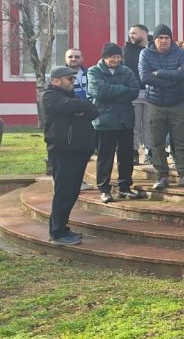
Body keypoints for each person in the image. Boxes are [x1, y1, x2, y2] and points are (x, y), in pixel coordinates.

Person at [42, 66, 99, 245]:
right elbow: (74, 107)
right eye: (69, 79)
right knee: (64, 192)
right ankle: (57, 233)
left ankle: (63, 227)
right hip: (63, 151)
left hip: (78, 151)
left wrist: (78, 109)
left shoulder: (70, 97)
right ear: (56, 81)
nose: (73, 82)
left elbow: (92, 110)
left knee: (72, 191)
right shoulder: (49, 96)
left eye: (73, 79)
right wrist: (79, 108)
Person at [140, 25, 184, 189]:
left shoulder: (180, 52)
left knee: (181, 140)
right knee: (157, 141)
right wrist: (172, 79)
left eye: (166, 37)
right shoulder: (145, 53)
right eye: (160, 38)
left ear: (171, 39)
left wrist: (158, 73)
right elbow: (145, 77)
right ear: (155, 39)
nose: (164, 41)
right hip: (155, 103)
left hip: (177, 102)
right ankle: (162, 175)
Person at [87, 43, 144, 203]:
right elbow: (98, 91)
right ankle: (104, 189)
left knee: (126, 155)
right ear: (105, 57)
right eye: (113, 56)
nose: (116, 59)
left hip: (125, 120)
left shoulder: (126, 71)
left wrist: (111, 91)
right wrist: (121, 90)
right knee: (105, 157)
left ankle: (125, 186)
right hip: (104, 121)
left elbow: (133, 90)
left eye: (118, 56)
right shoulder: (94, 71)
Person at [124, 24, 151, 164]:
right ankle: (134, 152)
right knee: (134, 125)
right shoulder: (127, 50)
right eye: (130, 33)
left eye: (134, 33)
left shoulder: (154, 48)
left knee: (149, 124)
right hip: (134, 92)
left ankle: (149, 152)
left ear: (144, 33)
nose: (131, 35)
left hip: (152, 92)